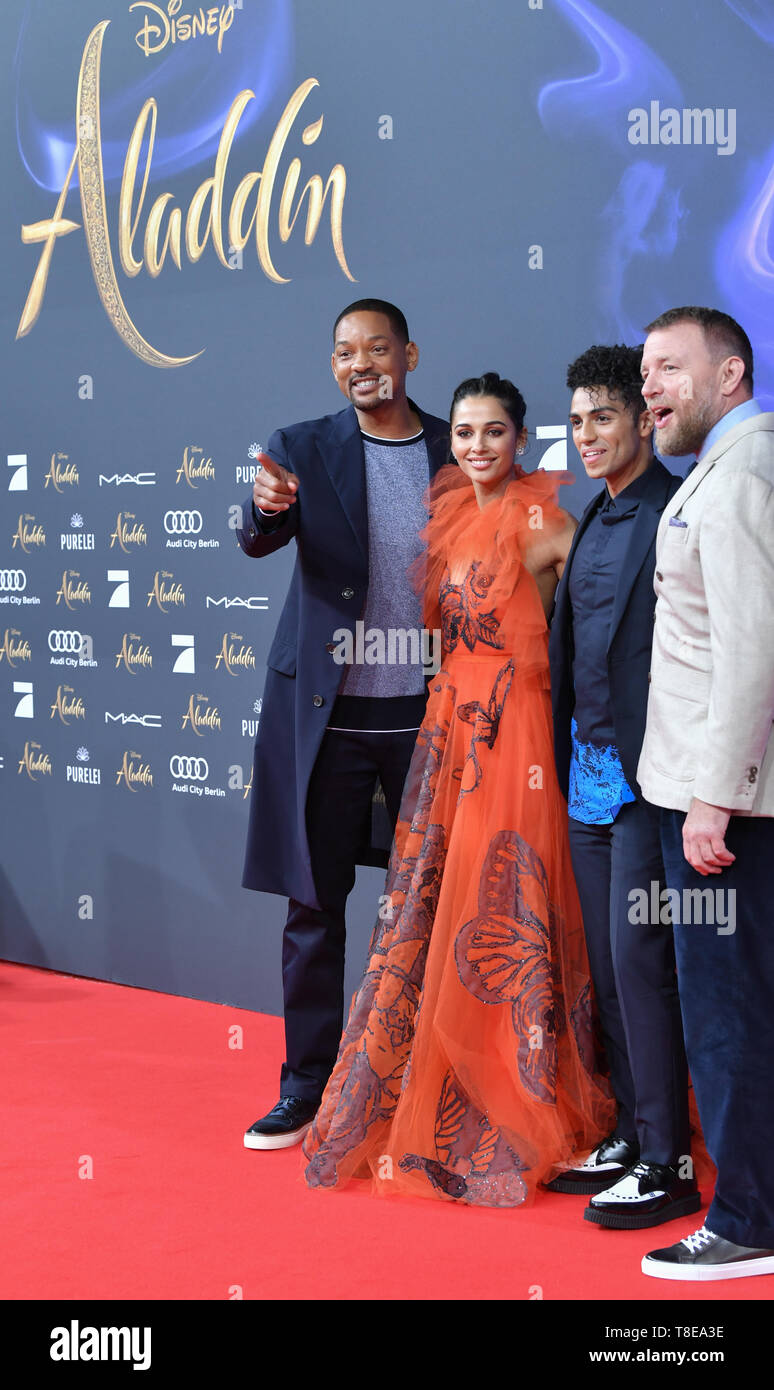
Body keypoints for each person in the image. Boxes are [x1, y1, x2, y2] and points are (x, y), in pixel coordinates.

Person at [302, 373, 615, 1205]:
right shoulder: (447, 518)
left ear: (520, 439)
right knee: (443, 909)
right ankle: (450, 1093)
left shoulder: (549, 523)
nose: (477, 447)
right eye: (467, 433)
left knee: (506, 911)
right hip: (450, 731)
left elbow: (599, 638)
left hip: (520, 743)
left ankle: (526, 1098)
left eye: (495, 434)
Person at [236, 299, 449, 1150]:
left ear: (409, 354)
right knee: (314, 907)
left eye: (376, 348)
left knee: (432, 907)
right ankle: (306, 1087)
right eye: (344, 352)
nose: (360, 362)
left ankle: (432, 1081)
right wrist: (265, 505)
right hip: (327, 717)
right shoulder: (299, 446)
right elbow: (256, 536)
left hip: (427, 718)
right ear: (334, 367)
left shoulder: (452, 445)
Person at [545, 345, 699, 1230]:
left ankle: (671, 1159)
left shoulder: (675, 507)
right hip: (587, 775)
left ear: (644, 420)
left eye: (604, 416)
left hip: (651, 783)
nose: (588, 434)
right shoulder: (589, 518)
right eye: (577, 421)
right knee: (607, 971)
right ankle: (636, 1136)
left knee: (645, 969)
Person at [635, 306, 774, 1280]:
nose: (652, 387)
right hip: (718, 797)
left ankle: (747, 1220)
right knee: (733, 1010)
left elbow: (755, 652)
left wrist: (713, 797)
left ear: (729, 376)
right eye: (646, 371)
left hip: (727, 811)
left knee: (727, 1015)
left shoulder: (742, 476)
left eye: (670, 369)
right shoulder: (723, 471)